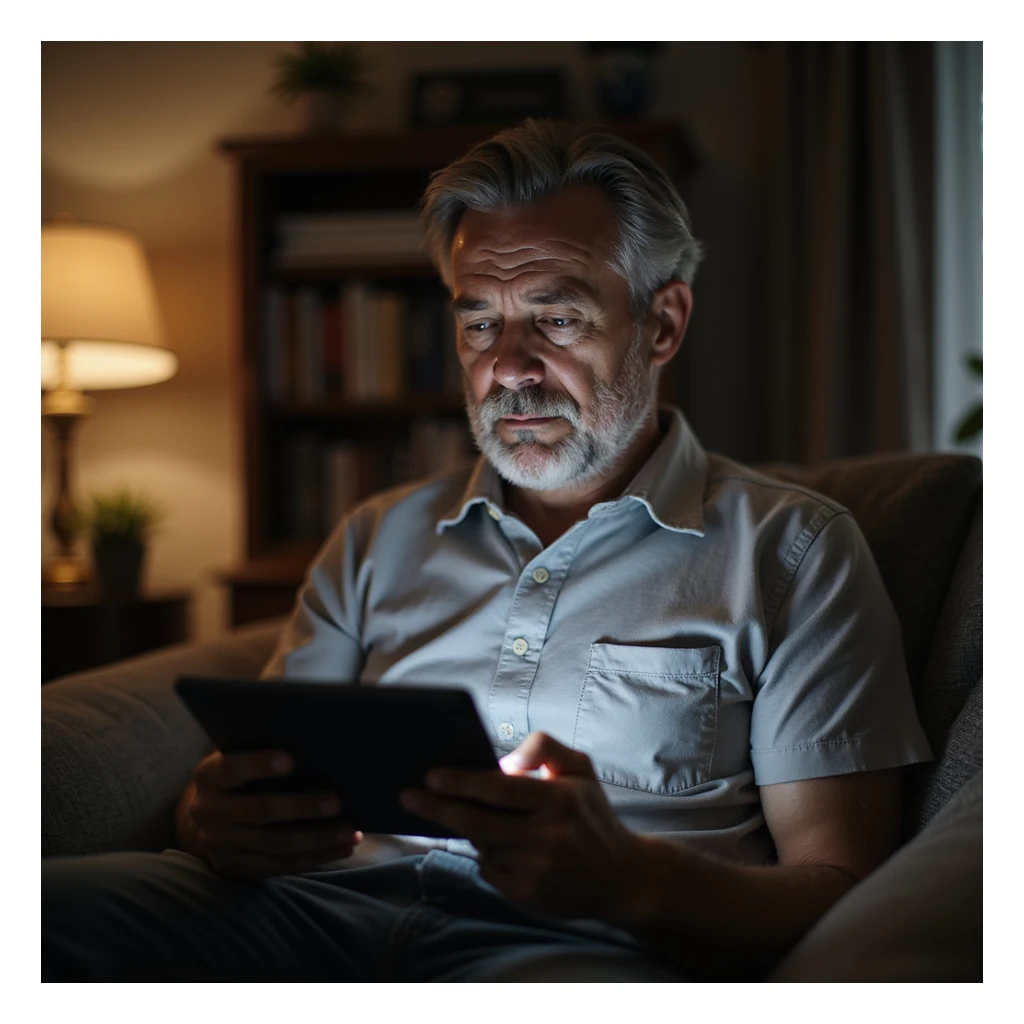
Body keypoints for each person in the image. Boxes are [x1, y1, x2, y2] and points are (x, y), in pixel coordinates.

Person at [42, 119, 932, 982]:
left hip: (579, 950)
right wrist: (215, 819)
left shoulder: (794, 552)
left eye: (556, 320)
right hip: (301, 917)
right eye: (479, 325)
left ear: (662, 325)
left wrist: (632, 879)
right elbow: (250, 774)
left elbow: (845, 892)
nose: (508, 367)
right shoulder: (375, 537)